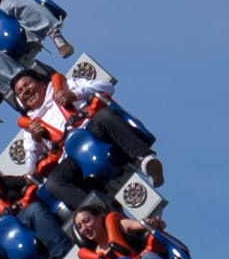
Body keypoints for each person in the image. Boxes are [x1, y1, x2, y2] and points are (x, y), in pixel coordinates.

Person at [9, 67, 163, 209]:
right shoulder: (30, 125)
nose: (25, 92)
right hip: (71, 156)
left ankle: (145, 159)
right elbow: (31, 165)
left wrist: (75, 94)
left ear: (42, 84)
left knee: (104, 116)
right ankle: (98, 211)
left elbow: (107, 87)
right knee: (53, 184)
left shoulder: (66, 86)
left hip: (94, 132)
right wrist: (36, 139)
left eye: (27, 85)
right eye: (20, 92)